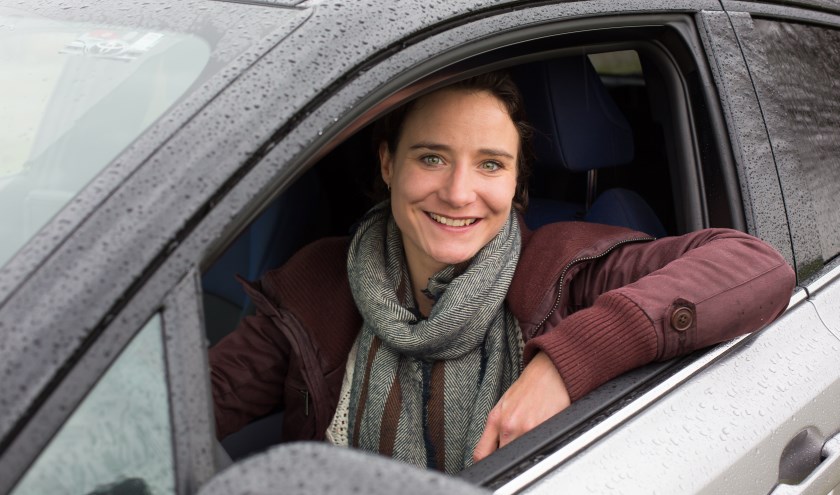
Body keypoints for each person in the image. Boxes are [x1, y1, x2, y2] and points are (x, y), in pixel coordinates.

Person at [209, 71, 794, 475]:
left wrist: (567, 364)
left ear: (517, 184)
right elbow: (199, 398)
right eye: (432, 157)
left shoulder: (563, 268)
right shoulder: (316, 280)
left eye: (490, 164)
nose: (459, 192)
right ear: (389, 163)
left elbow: (753, 264)